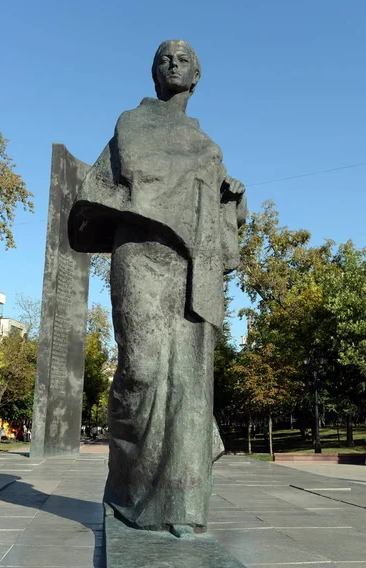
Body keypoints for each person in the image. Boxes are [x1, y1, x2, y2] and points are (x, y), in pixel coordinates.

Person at [69, 40, 246, 531]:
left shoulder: (208, 145)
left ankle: (183, 507)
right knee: (141, 371)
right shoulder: (129, 123)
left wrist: (232, 197)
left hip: (192, 266)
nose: (174, 62)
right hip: (140, 254)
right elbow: (93, 189)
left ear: (196, 77)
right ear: (154, 73)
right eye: (165, 57)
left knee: (187, 381)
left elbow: (223, 208)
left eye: (184, 59)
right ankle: (127, 492)